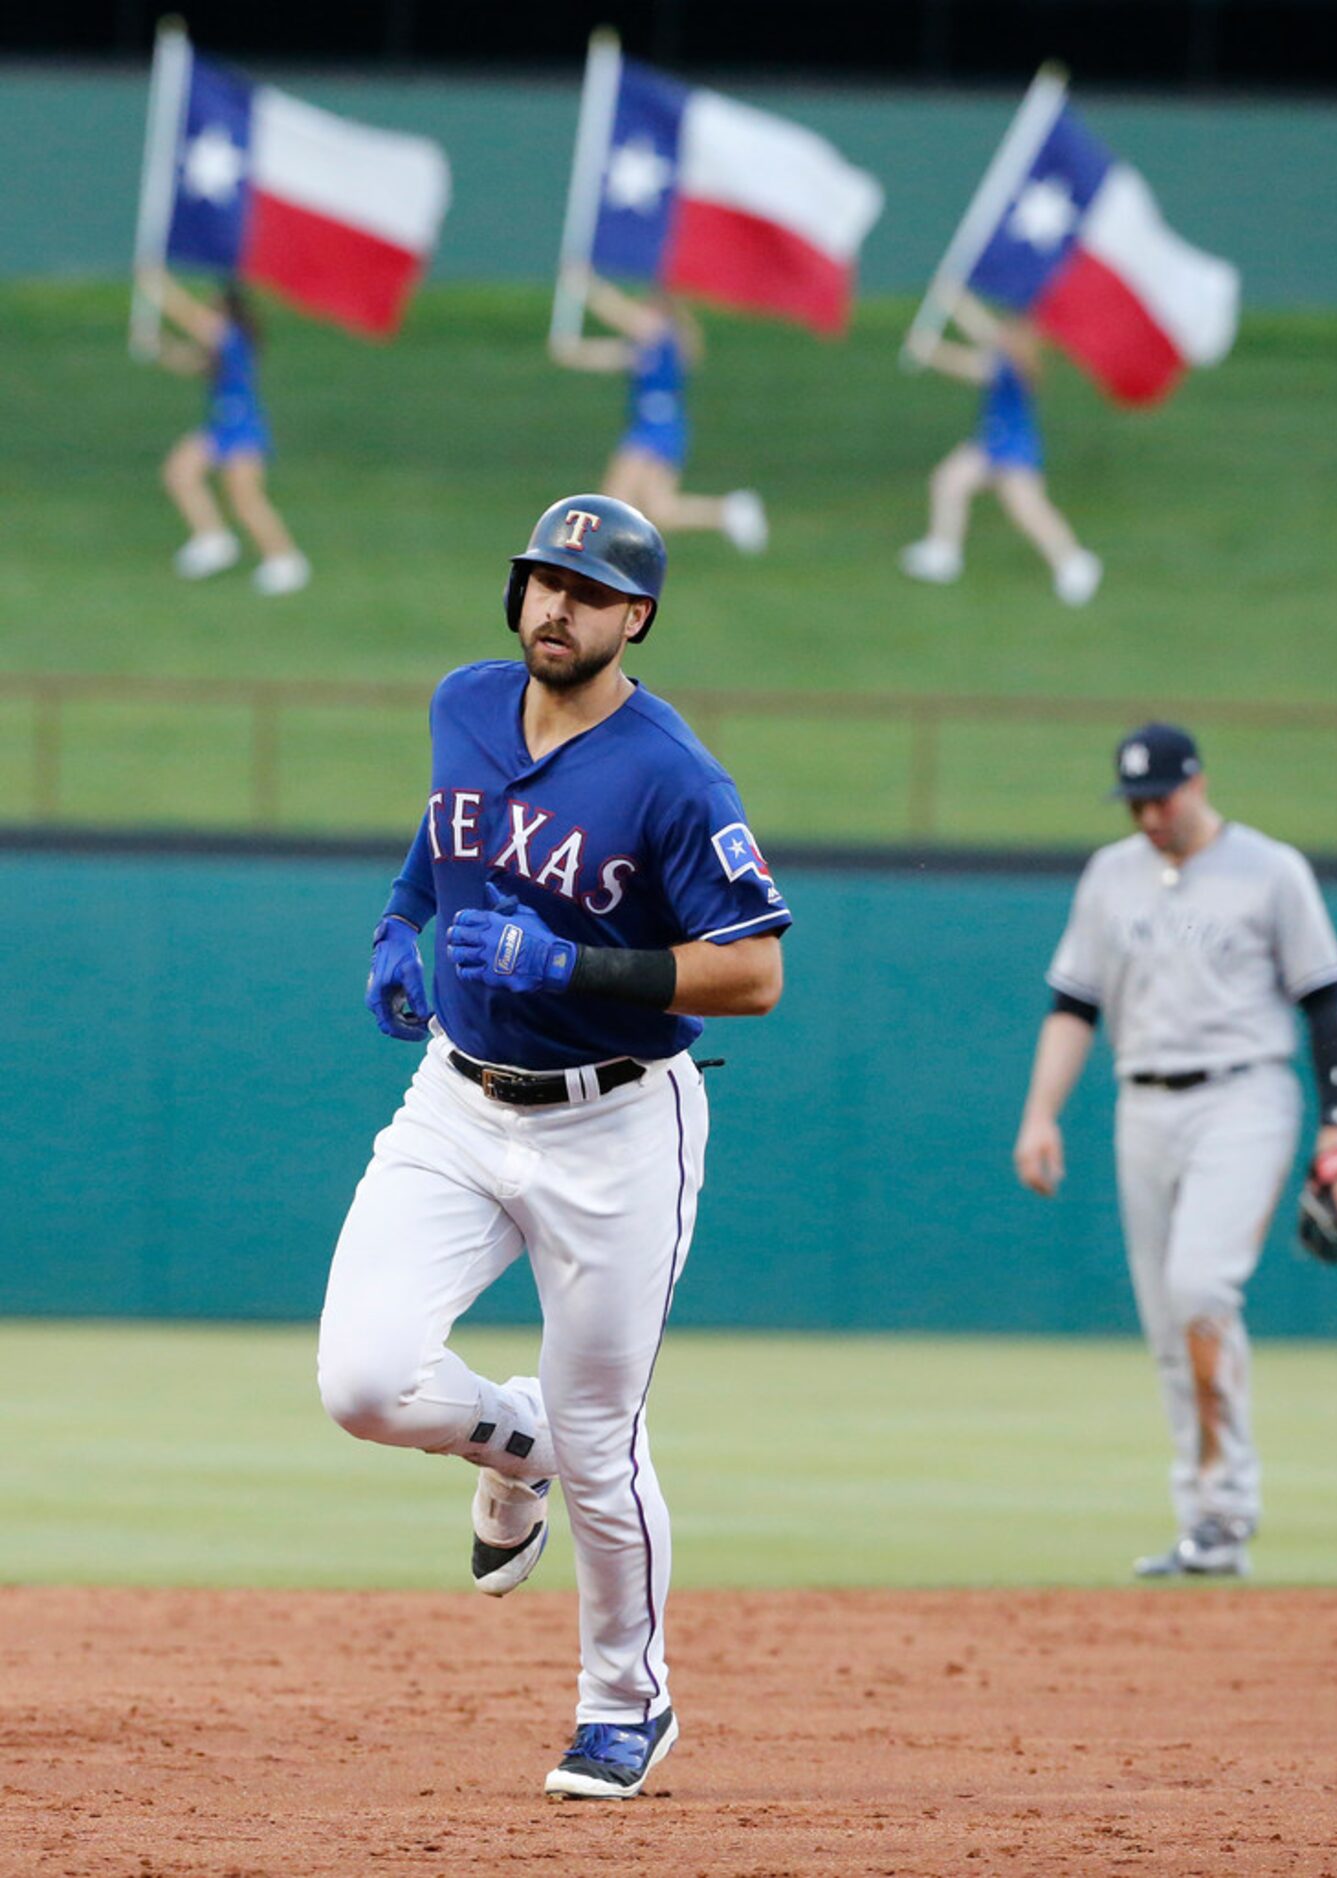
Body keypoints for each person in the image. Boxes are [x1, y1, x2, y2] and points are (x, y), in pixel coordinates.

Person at [318, 493, 789, 1799]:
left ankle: (625, 1703)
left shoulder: (672, 773)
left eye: (586, 590)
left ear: (635, 617)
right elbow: (447, 822)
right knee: (362, 1382)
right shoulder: (464, 702)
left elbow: (754, 971)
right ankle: (510, 1440)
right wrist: (398, 918)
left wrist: (570, 957)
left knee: (605, 1428)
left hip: (618, 1119)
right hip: (456, 1101)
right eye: (540, 580)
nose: (555, 605)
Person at [1012, 723, 1337, 1577]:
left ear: (1198, 782)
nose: (1148, 814)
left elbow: (1322, 997)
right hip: (1144, 1104)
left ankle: (1227, 1503)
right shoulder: (1111, 875)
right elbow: (1074, 1003)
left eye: (1160, 796)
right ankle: (1206, 1521)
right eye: (1135, 801)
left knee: (1201, 1287)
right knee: (1170, 1323)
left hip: (1247, 1093)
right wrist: (1040, 1114)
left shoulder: (1270, 870)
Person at [900, 290, 1101, 606]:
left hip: (1013, 451)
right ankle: (942, 553)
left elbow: (968, 365)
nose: (1002, 332)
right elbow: (983, 329)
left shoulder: (1012, 367)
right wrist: (955, 300)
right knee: (949, 482)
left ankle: (1074, 563)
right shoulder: (1011, 351)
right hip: (991, 443)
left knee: (1028, 509)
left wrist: (929, 350)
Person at [550, 265, 768, 554]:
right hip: (661, 428)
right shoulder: (646, 347)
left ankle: (600, 562)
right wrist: (569, 351)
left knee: (613, 501)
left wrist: (585, 284)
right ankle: (727, 511)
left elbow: (619, 313)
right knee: (660, 510)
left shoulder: (662, 334)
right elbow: (604, 355)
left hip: (655, 428)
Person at [134, 264, 310, 595]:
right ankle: (213, 538)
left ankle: (286, 559)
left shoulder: (233, 337)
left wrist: (158, 286)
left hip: (242, 427)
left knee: (245, 499)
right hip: (221, 424)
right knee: (180, 473)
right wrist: (158, 348)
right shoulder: (223, 343)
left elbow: (191, 318)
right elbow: (194, 362)